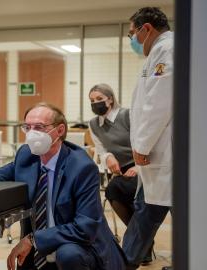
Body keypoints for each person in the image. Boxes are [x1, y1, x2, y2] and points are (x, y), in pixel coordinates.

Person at [0, 103, 125, 270]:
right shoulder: (27, 154)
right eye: (27, 127)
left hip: (80, 245)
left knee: (68, 254)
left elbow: (85, 227)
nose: (32, 134)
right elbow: (4, 172)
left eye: (39, 127)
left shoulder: (82, 167)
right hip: (40, 247)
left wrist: (33, 239)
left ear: (59, 131)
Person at [122, 7, 173, 270]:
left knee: (150, 212)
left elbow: (159, 105)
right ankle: (122, 262)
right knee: (146, 212)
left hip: (164, 154)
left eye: (133, 33)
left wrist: (141, 146)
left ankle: (122, 263)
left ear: (147, 29)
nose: (132, 40)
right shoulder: (156, 54)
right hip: (158, 157)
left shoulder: (168, 49)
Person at [88, 84, 153, 264]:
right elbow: (101, 149)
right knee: (113, 191)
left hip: (143, 165)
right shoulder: (93, 124)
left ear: (110, 98)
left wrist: (139, 167)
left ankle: (140, 243)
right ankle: (144, 243)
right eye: (92, 101)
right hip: (121, 168)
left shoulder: (128, 115)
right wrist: (108, 157)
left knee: (126, 190)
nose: (95, 103)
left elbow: (144, 141)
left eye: (99, 99)